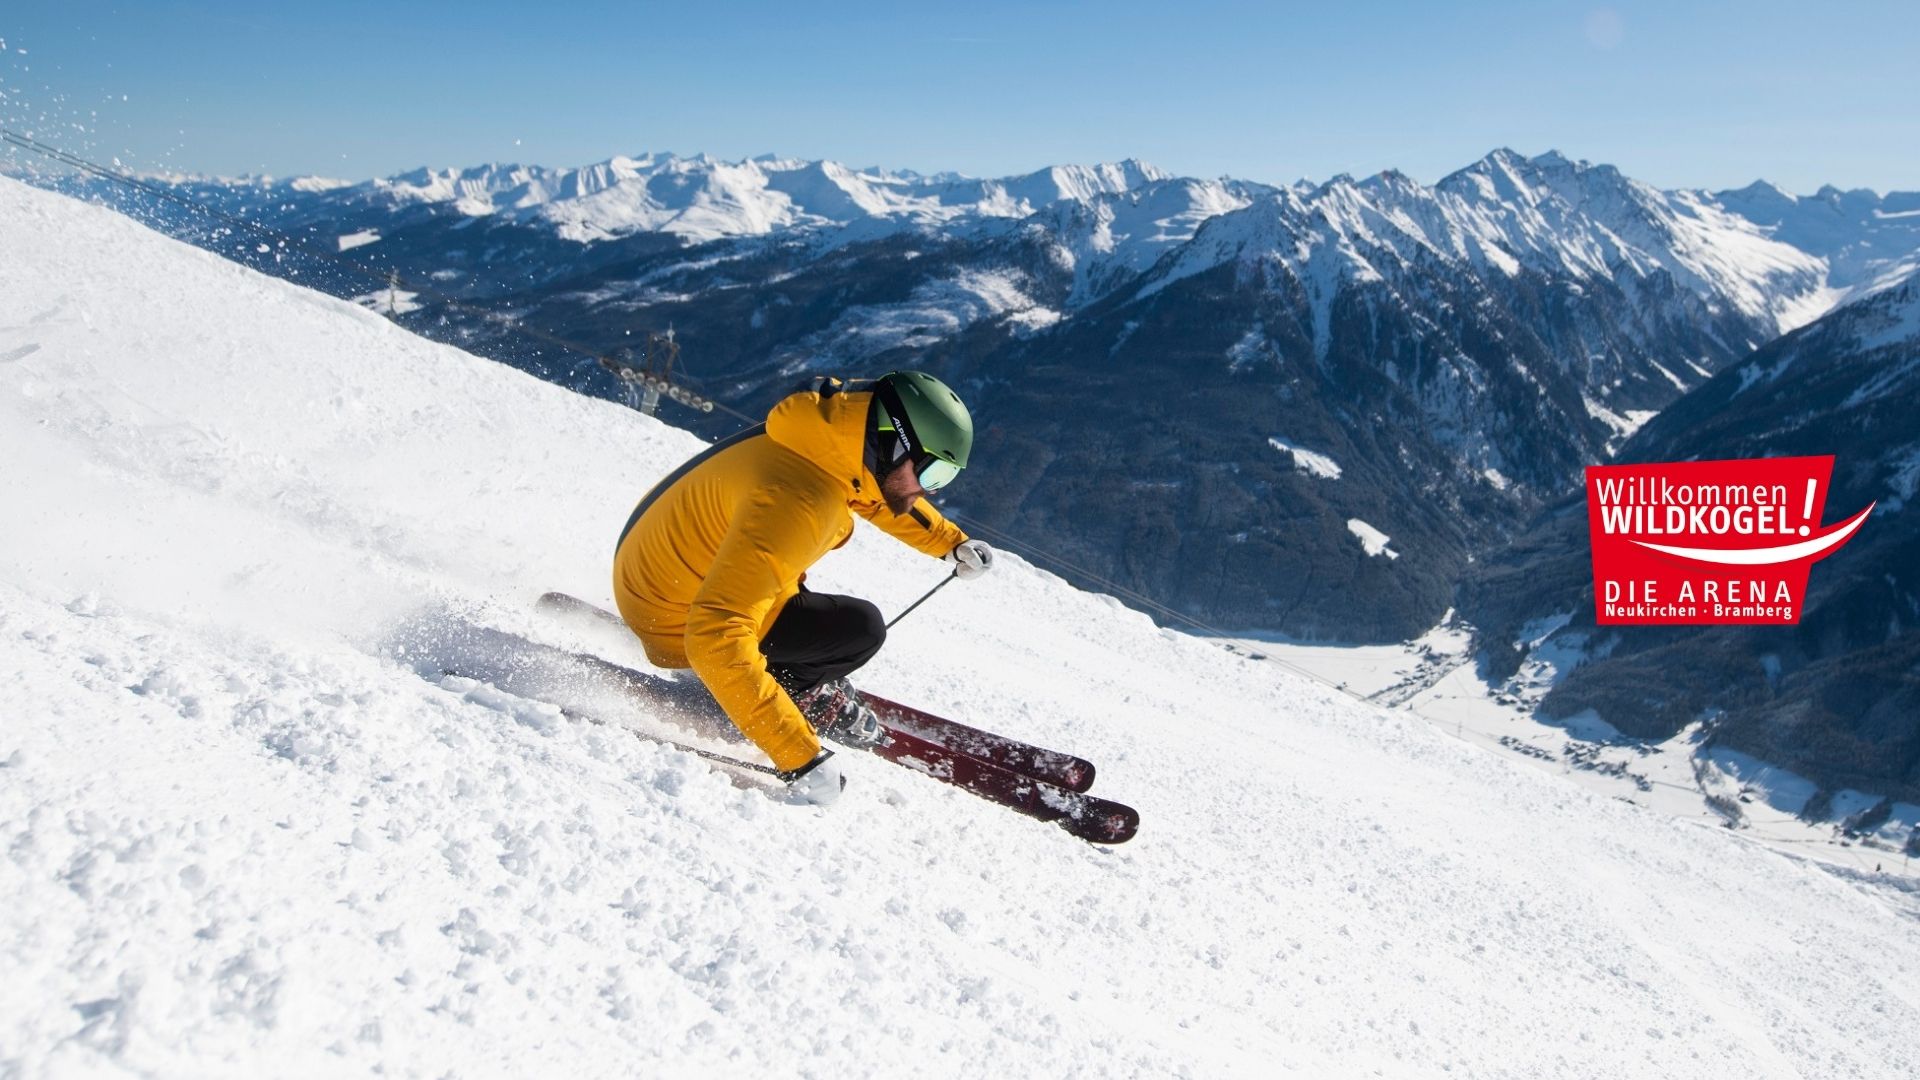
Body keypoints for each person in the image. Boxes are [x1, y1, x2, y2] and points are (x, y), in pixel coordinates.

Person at [611, 371, 995, 802]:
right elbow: (714, 635)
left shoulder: (825, 442)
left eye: (944, 478)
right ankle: (774, 691)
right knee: (859, 629)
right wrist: (800, 756)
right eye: (933, 471)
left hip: (661, 575)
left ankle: (787, 676)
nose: (931, 490)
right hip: (674, 616)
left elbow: (875, 494)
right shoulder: (798, 501)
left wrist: (950, 544)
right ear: (892, 443)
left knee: (820, 610)